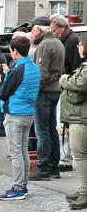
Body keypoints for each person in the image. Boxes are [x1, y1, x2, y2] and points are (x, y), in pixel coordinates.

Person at [0, 36, 41, 200]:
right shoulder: (33, 67)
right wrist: (8, 73)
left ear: (14, 51)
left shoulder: (18, 70)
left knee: (16, 152)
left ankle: (18, 188)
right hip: (27, 113)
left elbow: (4, 93)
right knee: (22, 151)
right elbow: (21, 84)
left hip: (15, 114)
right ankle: (23, 185)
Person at [28, 16, 65, 181]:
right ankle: (53, 167)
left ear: (39, 30)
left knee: (42, 132)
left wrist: (33, 91)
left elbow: (41, 75)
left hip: (44, 92)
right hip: (55, 90)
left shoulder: (45, 44)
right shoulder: (58, 42)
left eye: (33, 29)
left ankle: (43, 169)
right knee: (51, 131)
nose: (31, 32)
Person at [50, 14, 81, 172]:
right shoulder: (64, 39)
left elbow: (75, 66)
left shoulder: (73, 40)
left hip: (68, 87)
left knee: (64, 125)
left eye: (54, 30)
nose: (52, 32)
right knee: (62, 125)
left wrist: (66, 81)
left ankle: (66, 159)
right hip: (64, 85)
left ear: (62, 28)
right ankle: (64, 157)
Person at [60, 34, 87, 210]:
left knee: (80, 156)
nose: (78, 47)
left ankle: (85, 193)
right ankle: (83, 188)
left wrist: (63, 79)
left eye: (80, 44)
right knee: (80, 156)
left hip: (82, 118)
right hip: (79, 116)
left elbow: (79, 85)